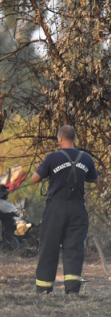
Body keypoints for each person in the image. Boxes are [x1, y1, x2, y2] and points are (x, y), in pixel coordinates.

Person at [30, 125, 98, 294]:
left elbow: (34, 179)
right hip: (77, 208)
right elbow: (97, 181)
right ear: (74, 139)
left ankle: (44, 289)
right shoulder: (86, 158)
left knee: (49, 246)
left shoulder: (52, 158)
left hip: (56, 208)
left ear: (60, 138)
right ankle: (72, 289)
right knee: (74, 247)